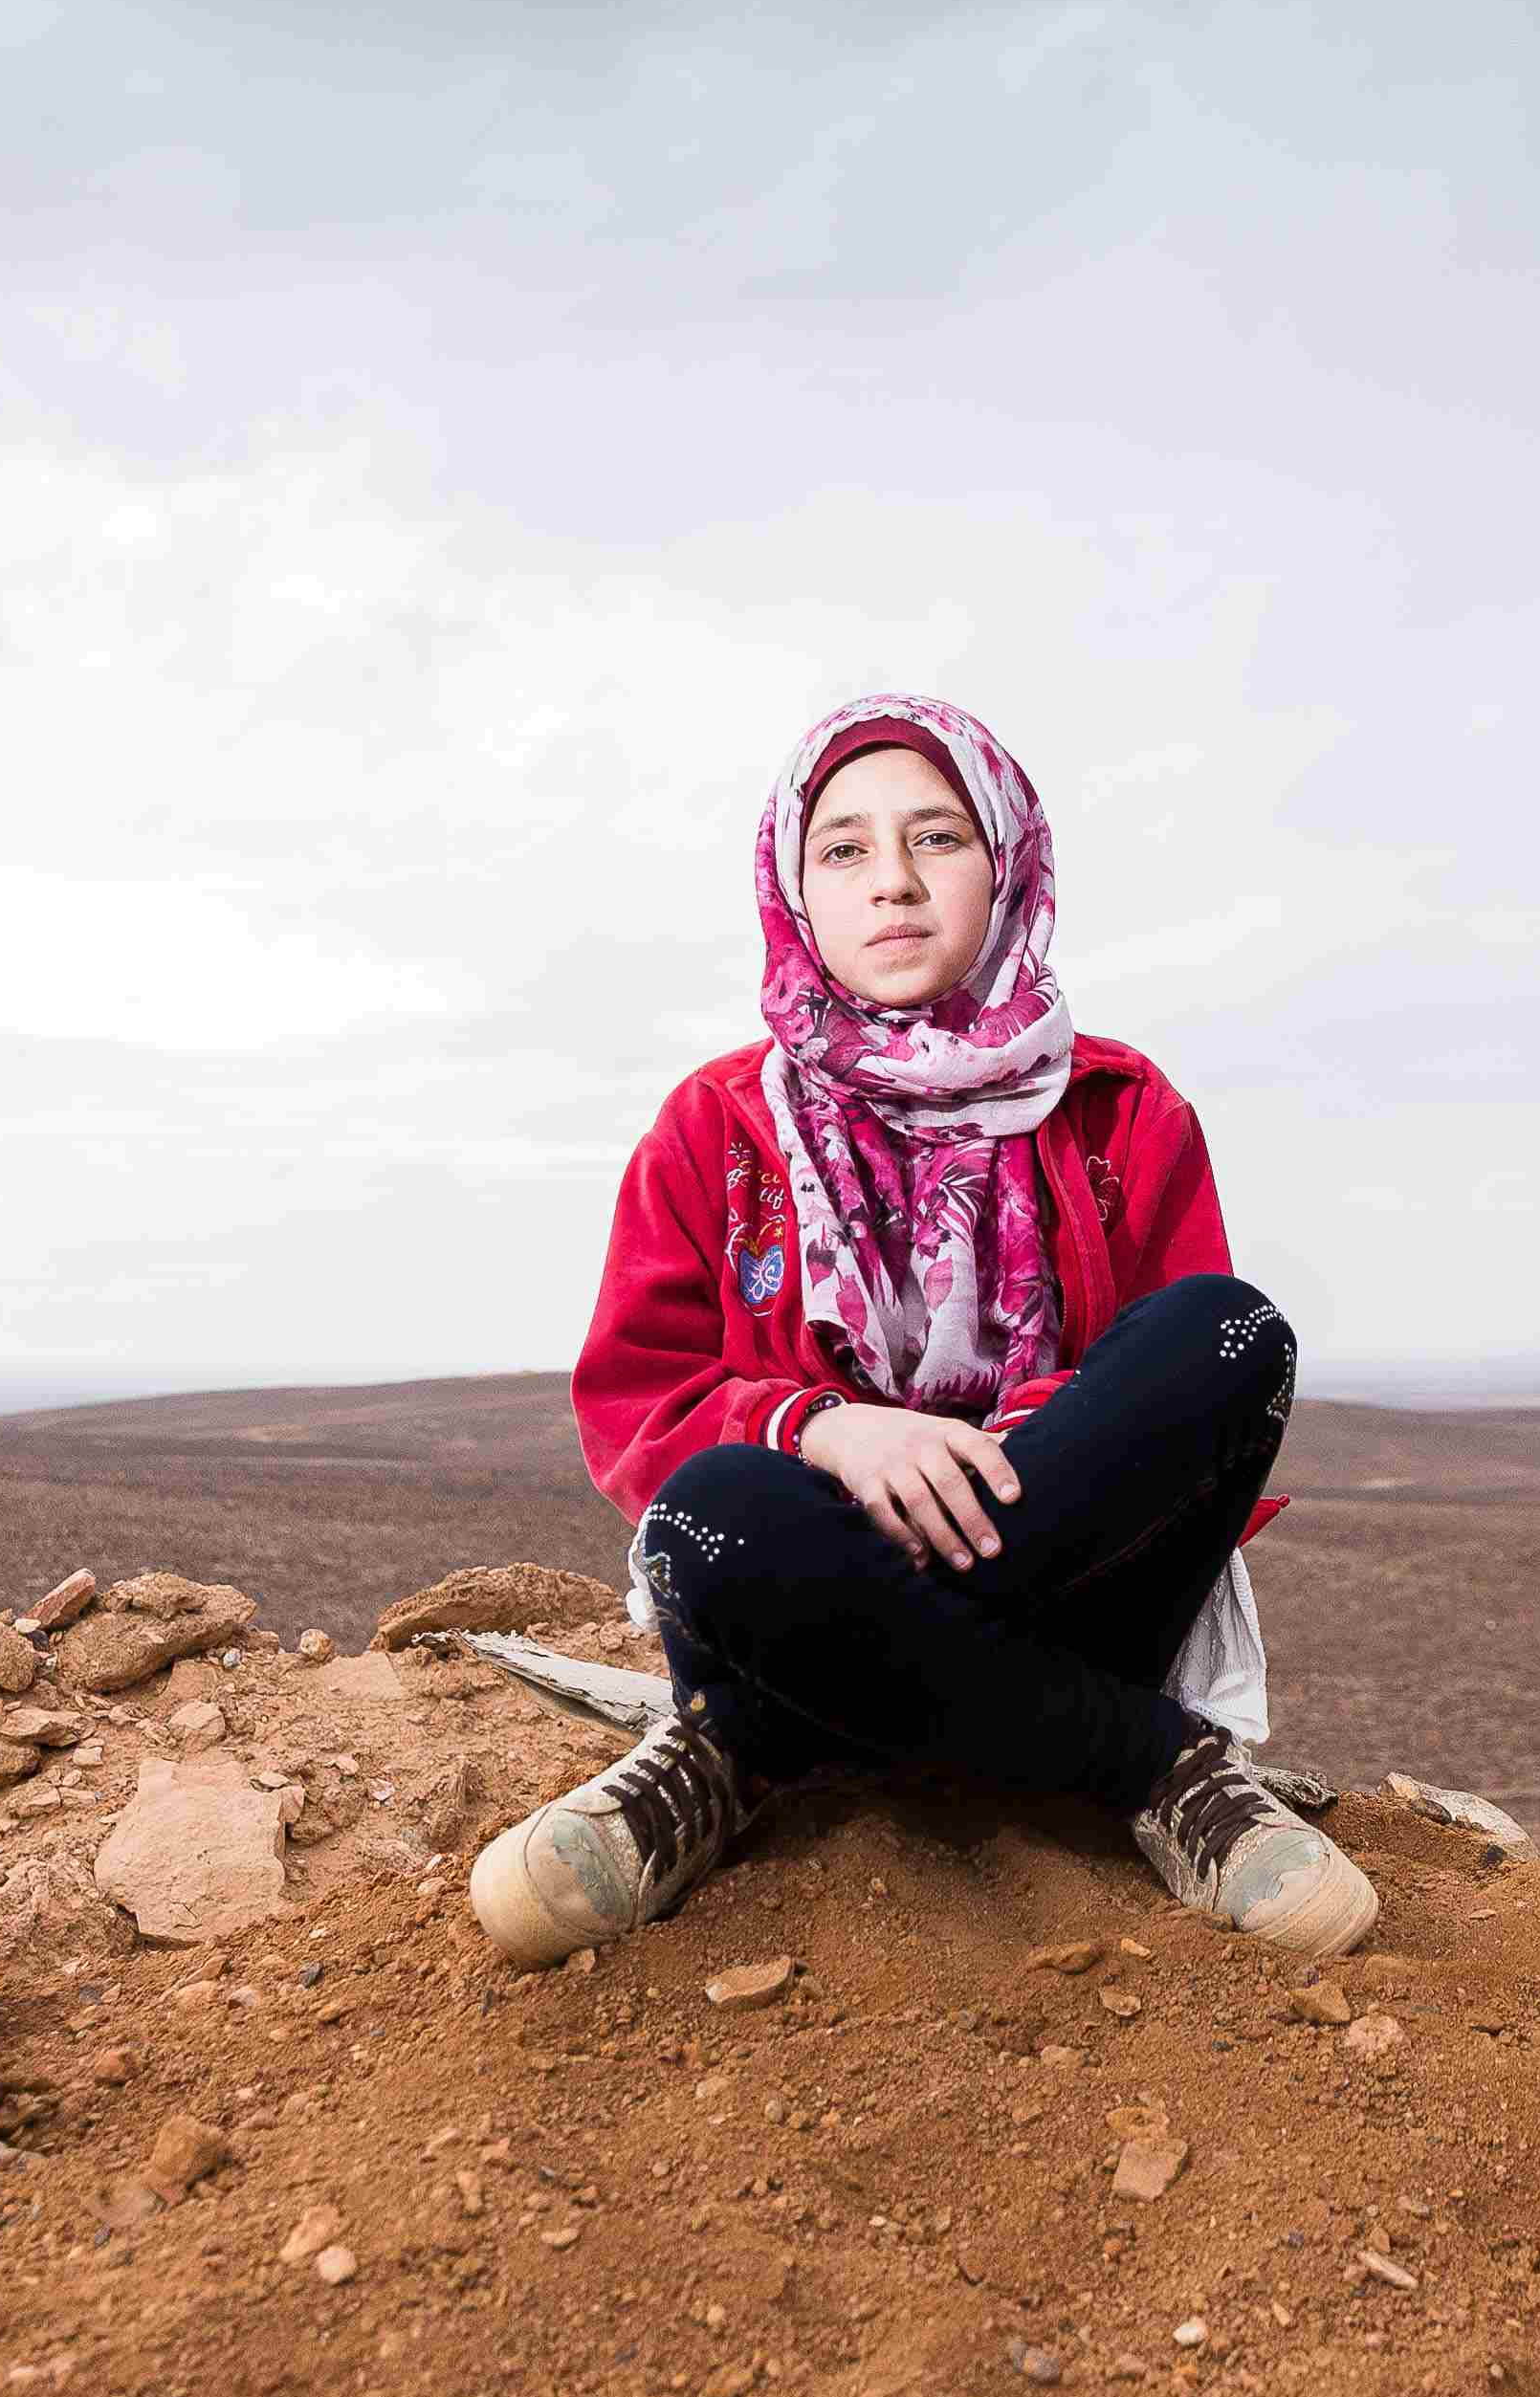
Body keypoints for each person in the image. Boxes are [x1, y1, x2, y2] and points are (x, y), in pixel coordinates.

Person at [467, 693, 1380, 1967]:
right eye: (844, 848)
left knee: (1231, 1334)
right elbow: (639, 1405)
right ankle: (1153, 1766)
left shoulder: (1121, 1109)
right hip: (806, 1554)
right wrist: (831, 1432)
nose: (892, 883)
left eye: (937, 838)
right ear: (794, 888)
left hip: (1066, 1562)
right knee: (715, 1507)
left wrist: (1013, 1444)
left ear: (1005, 862)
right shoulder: (713, 1126)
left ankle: (746, 1738)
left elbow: (1167, 1408)